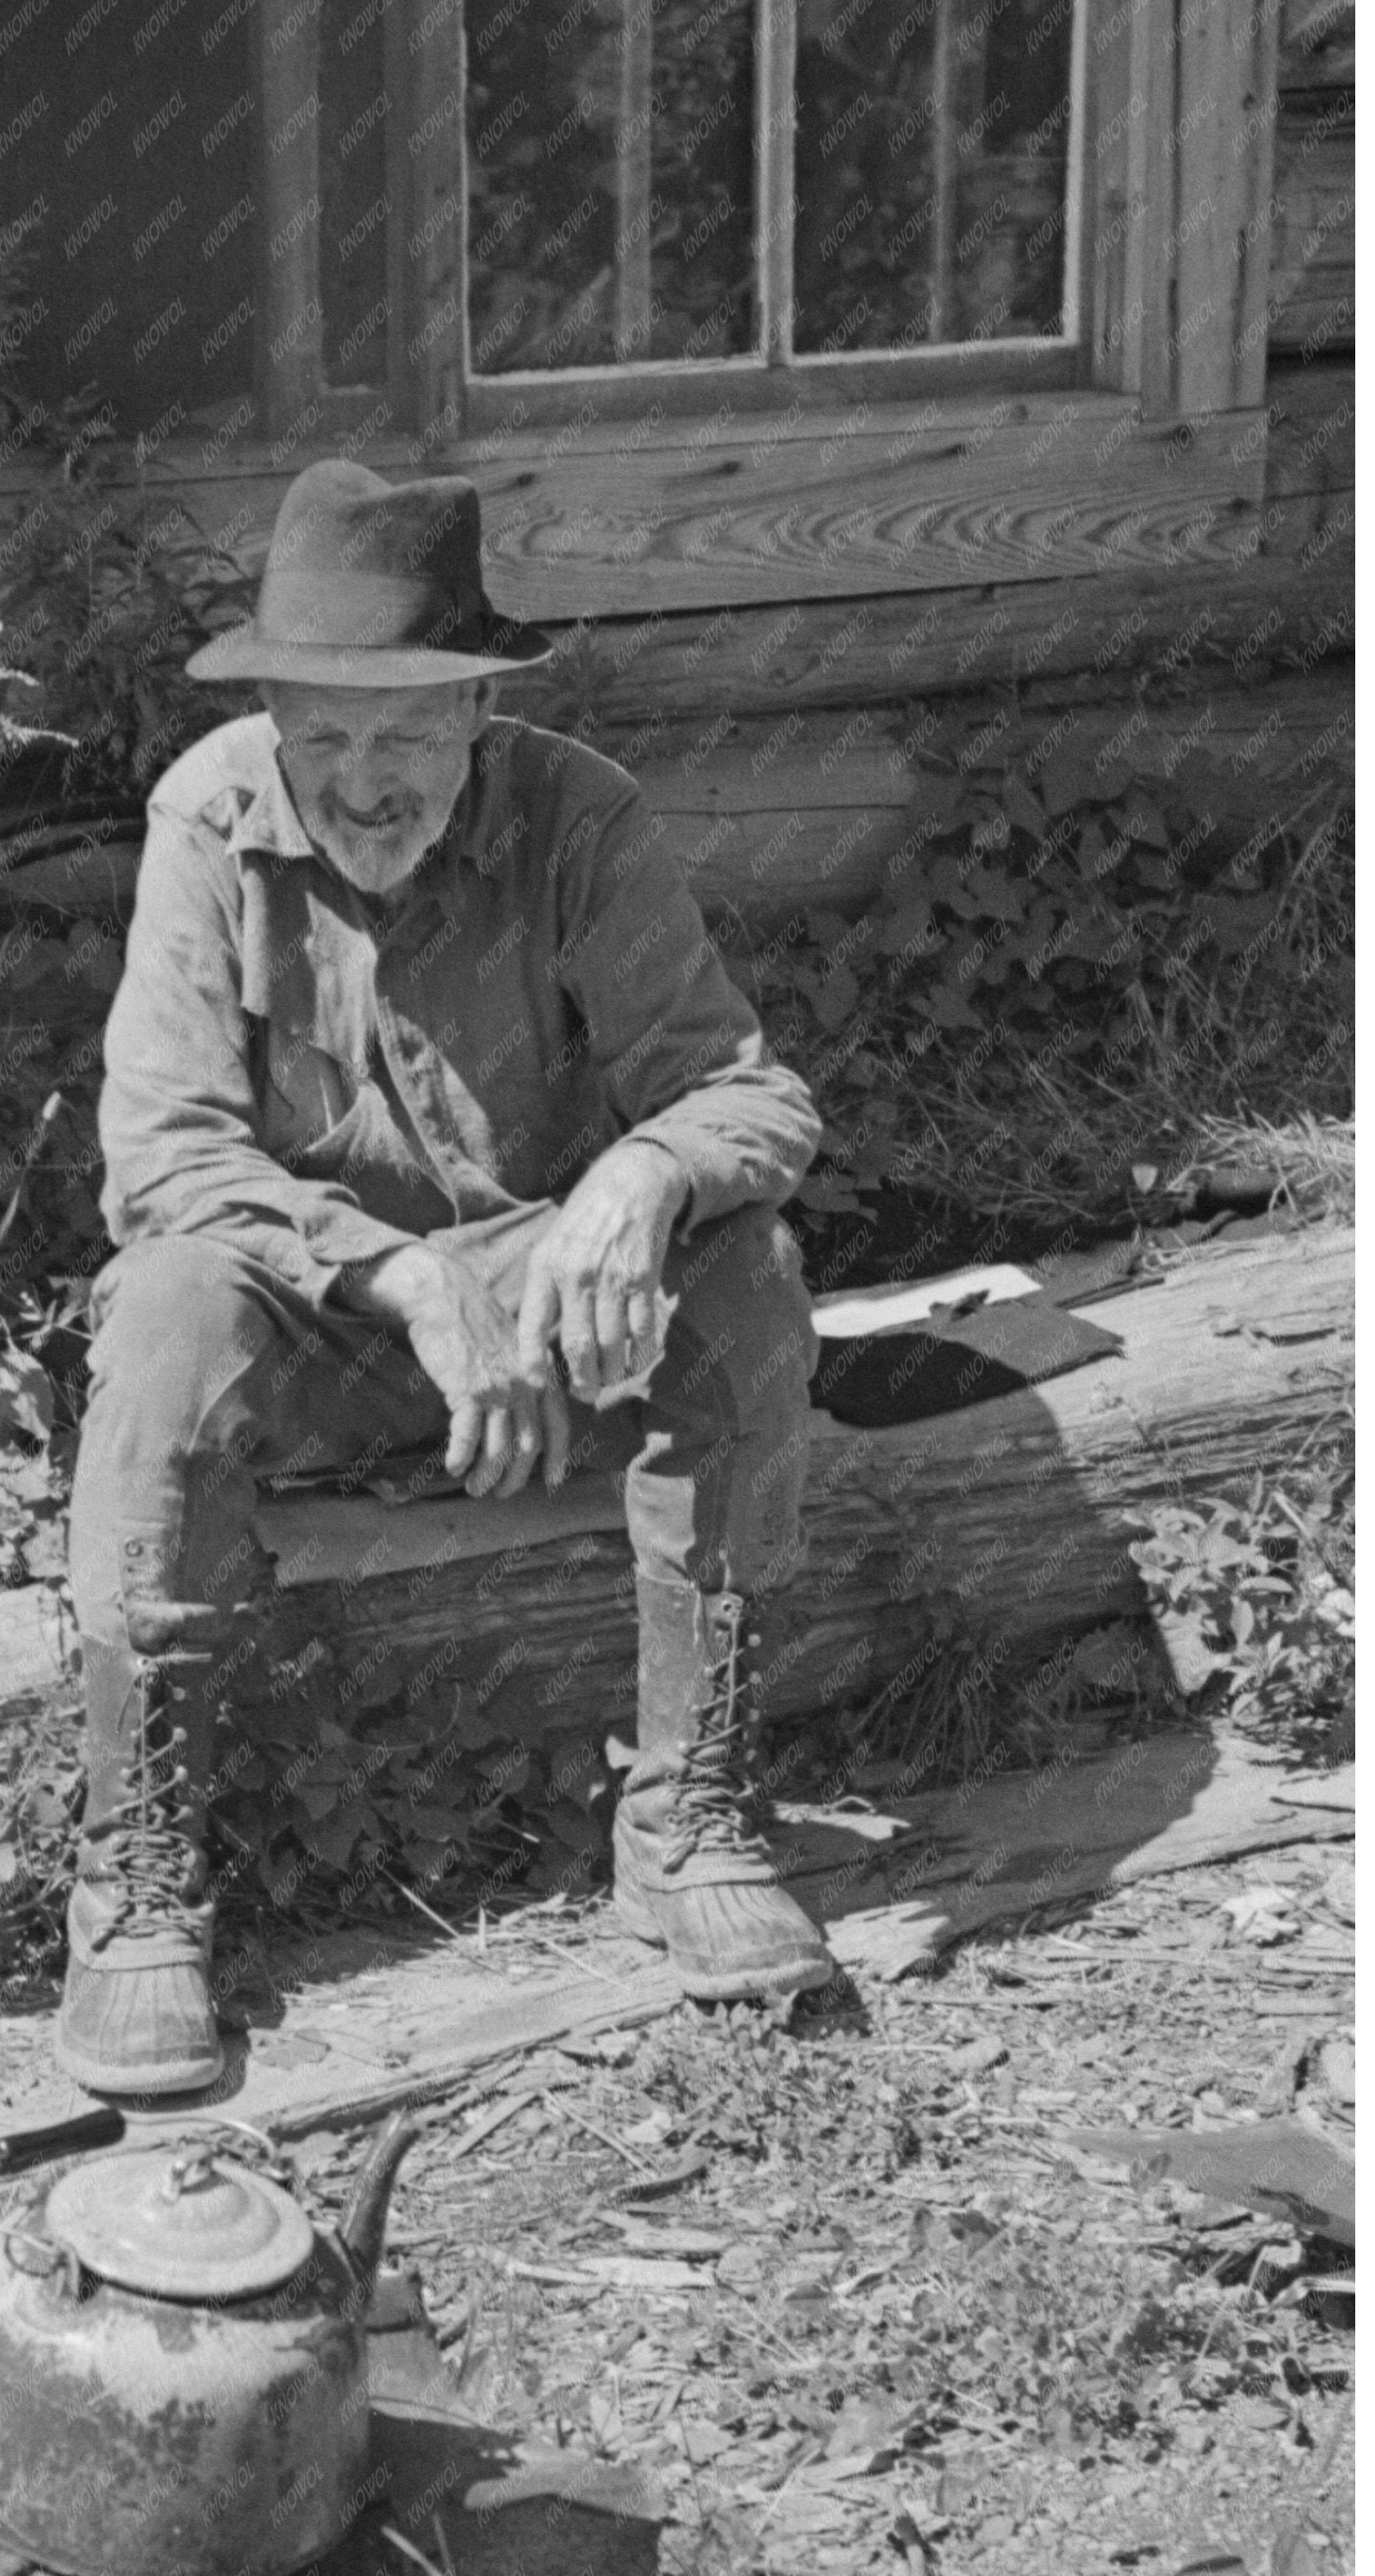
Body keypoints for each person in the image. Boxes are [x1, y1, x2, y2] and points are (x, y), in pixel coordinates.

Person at [60, 456, 836, 2099]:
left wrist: (638, 1175)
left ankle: (688, 1813)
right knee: (162, 1309)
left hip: (546, 1322)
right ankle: (135, 1886)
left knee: (747, 1268)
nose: (361, 780)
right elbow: (167, 1159)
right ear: (269, 712)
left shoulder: (575, 815)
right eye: (323, 735)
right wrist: (405, 1281)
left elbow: (748, 1094)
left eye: (406, 731)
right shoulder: (207, 816)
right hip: (323, 1317)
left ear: (480, 706)